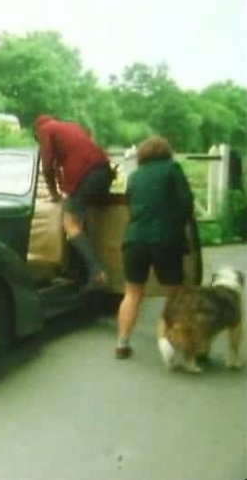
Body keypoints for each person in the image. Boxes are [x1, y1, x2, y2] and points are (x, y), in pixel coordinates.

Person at [115, 136, 194, 359]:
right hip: (165, 239)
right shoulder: (172, 169)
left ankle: (122, 343)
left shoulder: (135, 176)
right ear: (166, 152)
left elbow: (130, 203)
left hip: (135, 239)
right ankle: (177, 343)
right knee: (175, 294)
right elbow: (186, 202)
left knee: (132, 293)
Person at [34, 114, 114, 291]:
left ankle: (96, 272)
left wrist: (54, 195)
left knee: (70, 223)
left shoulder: (45, 130)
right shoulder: (70, 126)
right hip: (104, 172)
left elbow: (47, 167)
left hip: (86, 175)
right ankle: (77, 271)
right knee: (81, 220)